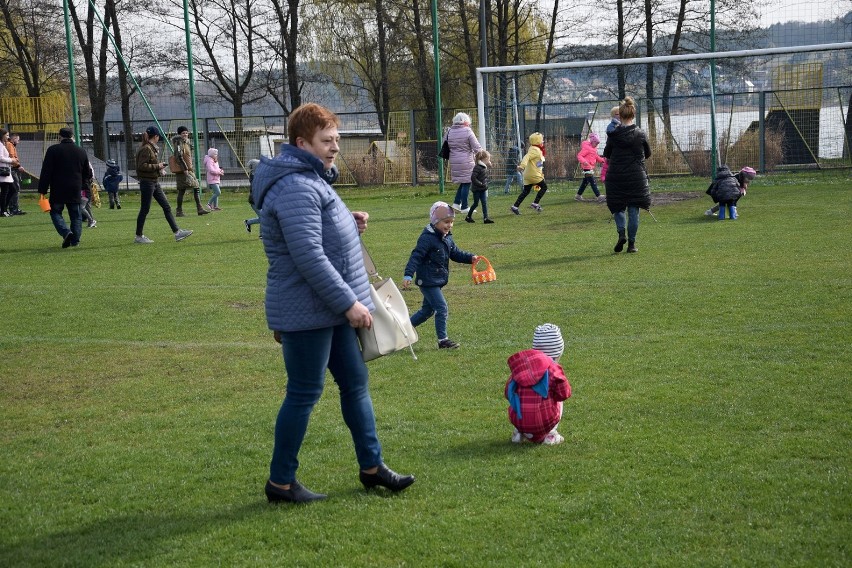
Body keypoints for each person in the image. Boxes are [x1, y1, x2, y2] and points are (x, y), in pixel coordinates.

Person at [252, 102, 414, 503]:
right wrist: (349, 304)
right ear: (301, 142)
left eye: (337, 139)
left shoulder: (311, 178)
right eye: (327, 140)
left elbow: (316, 232)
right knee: (304, 392)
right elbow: (308, 254)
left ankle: (372, 467)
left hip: (328, 306)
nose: (335, 147)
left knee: (356, 384)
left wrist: (346, 220)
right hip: (309, 311)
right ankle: (281, 482)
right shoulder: (294, 185)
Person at [403, 201, 478, 350]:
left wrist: (470, 258)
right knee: (441, 308)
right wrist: (408, 274)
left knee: (427, 310)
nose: (449, 225)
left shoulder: (447, 237)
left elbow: (455, 253)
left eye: (451, 222)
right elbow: (416, 256)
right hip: (427, 281)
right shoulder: (427, 238)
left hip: (436, 280)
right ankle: (443, 340)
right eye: (446, 222)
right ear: (435, 221)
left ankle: (403, 330)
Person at [505, 323, 572, 445]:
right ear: (559, 351)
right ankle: (551, 434)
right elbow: (564, 394)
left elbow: (508, 392)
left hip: (518, 420)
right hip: (543, 422)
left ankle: (519, 433)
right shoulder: (554, 370)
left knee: (519, 398)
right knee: (557, 400)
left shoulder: (522, 366)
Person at [603, 96, 651, 254]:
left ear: (620, 116)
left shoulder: (613, 135)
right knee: (633, 209)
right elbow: (648, 153)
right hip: (636, 176)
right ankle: (631, 244)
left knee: (617, 207)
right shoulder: (640, 134)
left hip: (616, 176)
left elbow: (606, 154)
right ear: (633, 114)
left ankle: (621, 233)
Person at [134, 125, 193, 244]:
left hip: (154, 182)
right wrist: (158, 166)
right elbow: (141, 166)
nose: (158, 139)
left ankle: (177, 233)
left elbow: (148, 165)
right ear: (155, 136)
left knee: (166, 207)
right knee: (145, 209)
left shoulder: (150, 148)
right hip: (147, 183)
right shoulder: (146, 148)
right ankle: (138, 236)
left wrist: (159, 170)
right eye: (158, 137)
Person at [36, 127, 92, 248]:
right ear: (72, 136)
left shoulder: (53, 150)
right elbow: (87, 172)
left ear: (60, 136)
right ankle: (75, 240)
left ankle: (66, 232)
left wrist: (42, 190)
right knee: (75, 215)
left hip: (58, 188)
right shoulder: (81, 151)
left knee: (55, 212)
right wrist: (84, 186)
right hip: (75, 188)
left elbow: (46, 171)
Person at [447, 112, 482, 214]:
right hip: (466, 160)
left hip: (454, 160)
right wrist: (483, 156)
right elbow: (476, 147)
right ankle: (465, 207)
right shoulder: (467, 131)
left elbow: (445, 145)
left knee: (463, 182)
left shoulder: (449, 131)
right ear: (466, 121)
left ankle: (456, 203)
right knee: (467, 182)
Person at [172, 125, 209, 216]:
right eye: (183, 133)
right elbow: (179, 156)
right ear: (179, 134)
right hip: (183, 170)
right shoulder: (179, 143)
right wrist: (184, 169)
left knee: (196, 187)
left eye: (186, 133)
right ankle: (179, 211)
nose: (185, 134)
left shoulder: (186, 143)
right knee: (182, 190)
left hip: (189, 170)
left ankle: (199, 209)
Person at [510, 132, 548, 214]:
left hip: (529, 175)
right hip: (533, 175)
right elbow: (526, 157)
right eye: (541, 140)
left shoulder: (534, 149)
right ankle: (535, 203)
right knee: (544, 187)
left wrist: (540, 170)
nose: (543, 142)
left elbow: (538, 163)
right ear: (537, 141)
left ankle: (515, 206)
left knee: (526, 191)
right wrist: (522, 166)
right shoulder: (536, 150)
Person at [575, 132, 606, 202]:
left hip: (590, 167)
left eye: (598, 143)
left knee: (585, 182)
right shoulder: (587, 148)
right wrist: (584, 162)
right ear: (592, 142)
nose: (597, 145)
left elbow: (596, 157)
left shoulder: (594, 149)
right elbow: (579, 155)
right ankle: (598, 196)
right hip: (586, 167)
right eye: (596, 143)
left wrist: (603, 160)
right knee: (592, 181)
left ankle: (578, 195)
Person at [5, 132, 31, 215]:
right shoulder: (10, 145)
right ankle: (14, 209)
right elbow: (12, 157)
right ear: (14, 139)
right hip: (12, 169)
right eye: (18, 140)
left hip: (11, 169)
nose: (18, 142)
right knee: (15, 189)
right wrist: (18, 165)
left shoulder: (9, 144)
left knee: (11, 189)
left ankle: (12, 208)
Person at [465, 149, 494, 224]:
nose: (489, 161)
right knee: (476, 203)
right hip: (477, 189)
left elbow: (483, 178)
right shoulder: (477, 167)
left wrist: (484, 185)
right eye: (489, 159)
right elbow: (473, 178)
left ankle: (485, 218)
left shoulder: (483, 167)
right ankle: (468, 217)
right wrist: (480, 184)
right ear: (485, 159)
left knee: (484, 203)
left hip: (482, 189)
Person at [600, 107, 620, 184]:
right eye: (617, 114)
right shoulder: (611, 126)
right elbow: (611, 135)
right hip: (613, 150)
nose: (619, 115)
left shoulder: (623, 124)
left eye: (620, 113)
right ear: (613, 115)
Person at [0, 129, 16, 218]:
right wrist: (11, 160)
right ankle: (3, 210)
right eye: (6, 135)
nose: (8, 137)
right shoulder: (0, 145)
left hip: (6, 172)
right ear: (2, 135)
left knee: (11, 190)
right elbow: (1, 158)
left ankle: (4, 209)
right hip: (3, 172)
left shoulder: (3, 144)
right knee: (6, 192)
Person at [244, 158, 261, 235]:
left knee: (263, 218)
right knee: (264, 218)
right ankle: (262, 235)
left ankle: (248, 222)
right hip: (255, 201)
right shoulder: (254, 178)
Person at [80, 164, 97, 228]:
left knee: (81, 207)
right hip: (86, 190)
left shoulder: (83, 173)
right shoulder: (87, 171)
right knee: (87, 207)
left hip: (84, 191)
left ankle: (91, 220)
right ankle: (91, 222)